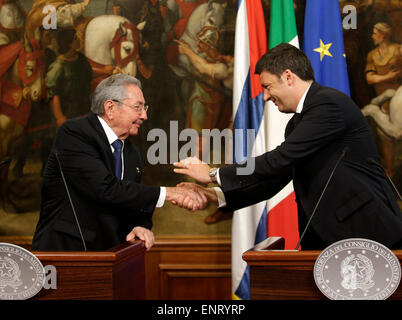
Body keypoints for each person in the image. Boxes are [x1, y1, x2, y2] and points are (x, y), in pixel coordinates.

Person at [174, 43, 402, 250]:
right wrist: (216, 196)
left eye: (268, 86)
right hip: (327, 238)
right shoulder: (296, 123)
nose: (265, 96)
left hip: (366, 233)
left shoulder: (328, 104)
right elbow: (275, 178)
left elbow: (279, 159)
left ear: (288, 76)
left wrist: (215, 173)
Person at [32, 74, 207, 251]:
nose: (144, 116)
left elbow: (133, 201)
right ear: (110, 108)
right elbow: (105, 188)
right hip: (65, 252)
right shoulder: (75, 134)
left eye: (144, 108)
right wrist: (171, 193)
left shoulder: (132, 153)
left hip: (111, 255)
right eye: (138, 107)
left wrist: (139, 225)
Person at [365, 22, 401, 177]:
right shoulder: (372, 55)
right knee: (385, 140)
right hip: (383, 102)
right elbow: (370, 78)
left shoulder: (398, 49)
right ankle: (389, 175)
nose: (372, 36)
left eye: (375, 33)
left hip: (398, 99)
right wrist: (387, 77)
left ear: (383, 34)